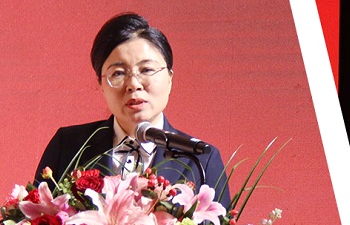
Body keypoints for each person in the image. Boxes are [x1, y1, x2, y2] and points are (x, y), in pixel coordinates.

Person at [35, 13, 230, 207]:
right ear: (101, 84)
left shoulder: (201, 158)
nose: (133, 84)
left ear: (170, 78)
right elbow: (33, 219)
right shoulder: (68, 146)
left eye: (146, 70)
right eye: (118, 73)